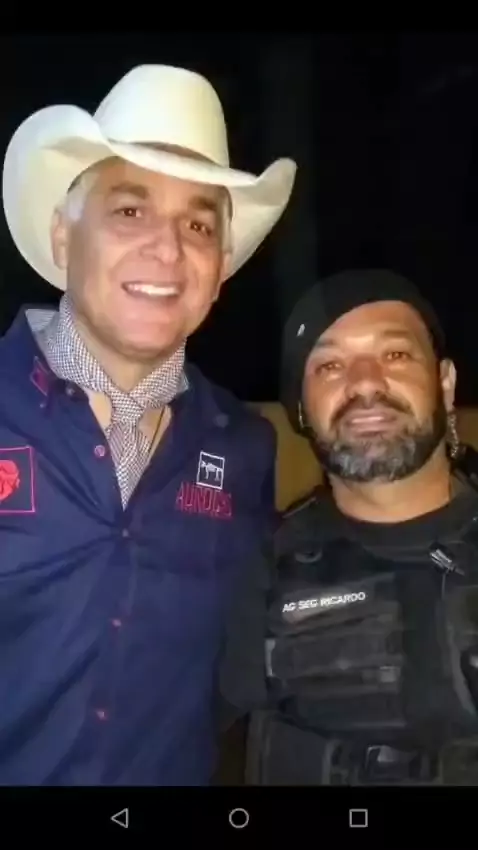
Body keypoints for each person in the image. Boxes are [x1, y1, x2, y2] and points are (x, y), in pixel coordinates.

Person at [0, 64, 297, 786]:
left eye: (197, 224)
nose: (168, 249)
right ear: (63, 238)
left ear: (219, 269)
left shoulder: (244, 448)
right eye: (130, 210)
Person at [219, 268, 478, 786]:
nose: (364, 383)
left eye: (396, 354)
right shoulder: (263, 573)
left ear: (445, 383)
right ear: (301, 408)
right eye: (330, 365)